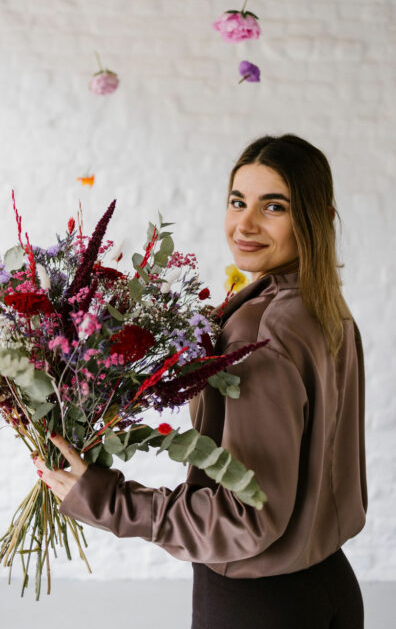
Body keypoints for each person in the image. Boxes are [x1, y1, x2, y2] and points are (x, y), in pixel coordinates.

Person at [34, 134, 367, 629]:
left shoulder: (262, 336)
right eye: (238, 202)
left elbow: (246, 517)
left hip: (258, 606)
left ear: (315, 216)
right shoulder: (324, 310)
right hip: (330, 583)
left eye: (272, 206)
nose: (244, 224)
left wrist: (107, 501)